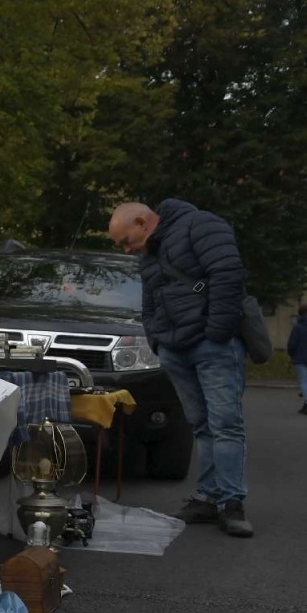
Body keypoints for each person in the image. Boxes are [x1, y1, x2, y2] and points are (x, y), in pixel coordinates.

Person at [108, 200, 254, 538]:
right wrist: (157, 340)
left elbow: (228, 274)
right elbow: (149, 300)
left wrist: (216, 334)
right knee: (201, 425)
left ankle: (232, 504)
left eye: (125, 240)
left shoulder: (201, 225)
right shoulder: (150, 253)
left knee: (226, 424)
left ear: (142, 222)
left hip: (212, 346)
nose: (127, 249)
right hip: (176, 349)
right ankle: (208, 497)